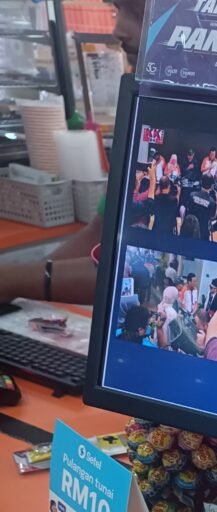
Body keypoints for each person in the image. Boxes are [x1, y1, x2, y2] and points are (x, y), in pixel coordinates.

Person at [0, 0, 146, 303]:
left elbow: (136, 275)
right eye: (117, 10)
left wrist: (15, 281)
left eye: (137, 13)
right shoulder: (140, 109)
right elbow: (100, 232)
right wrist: (18, 287)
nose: (118, 30)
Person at [189, 174, 217, 240]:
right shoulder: (212, 202)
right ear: (211, 186)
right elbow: (213, 217)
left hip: (189, 230)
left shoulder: (191, 195)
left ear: (201, 182)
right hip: (202, 233)